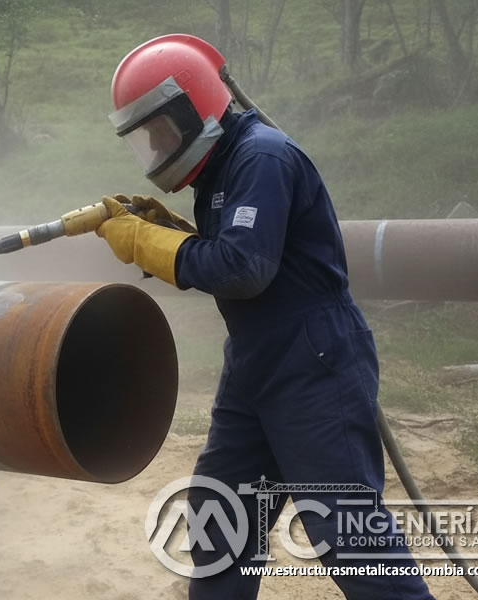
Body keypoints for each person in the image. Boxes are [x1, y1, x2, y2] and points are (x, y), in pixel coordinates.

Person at [96, 34, 434, 600]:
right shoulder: (219, 170)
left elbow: (243, 268)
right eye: (145, 136)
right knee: (220, 517)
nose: (155, 145)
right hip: (256, 365)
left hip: (315, 361)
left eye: (159, 129)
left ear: (194, 105)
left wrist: (146, 243)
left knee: (349, 537)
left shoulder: (263, 157)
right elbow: (236, 253)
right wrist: (168, 232)